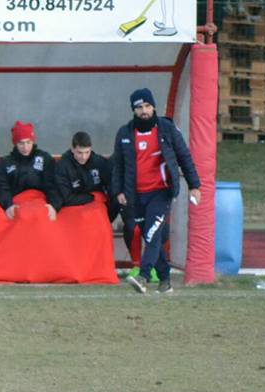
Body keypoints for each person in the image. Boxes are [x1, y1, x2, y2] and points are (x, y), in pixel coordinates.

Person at [112, 88, 200, 294]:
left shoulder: (167, 128)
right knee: (151, 237)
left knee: (152, 234)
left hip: (161, 192)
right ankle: (165, 280)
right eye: (139, 107)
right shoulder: (125, 133)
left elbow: (184, 156)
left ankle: (143, 277)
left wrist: (194, 185)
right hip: (135, 195)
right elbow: (118, 165)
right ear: (133, 110)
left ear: (153, 107)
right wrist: (119, 191)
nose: (144, 111)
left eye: (147, 106)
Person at [0, 121, 61, 221]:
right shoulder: (4, 163)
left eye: (28, 142)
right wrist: (8, 206)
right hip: (16, 206)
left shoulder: (44, 158)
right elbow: (2, 188)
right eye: (21, 143)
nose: (25, 147)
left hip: (40, 203)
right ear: (15, 143)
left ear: (33, 141)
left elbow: (52, 184)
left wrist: (54, 206)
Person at [55, 131, 115, 216]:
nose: (84, 157)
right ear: (72, 149)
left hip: (95, 208)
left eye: (87, 152)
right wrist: (92, 197)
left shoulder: (98, 162)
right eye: (80, 152)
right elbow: (66, 198)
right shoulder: (62, 166)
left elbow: (111, 184)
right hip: (72, 209)